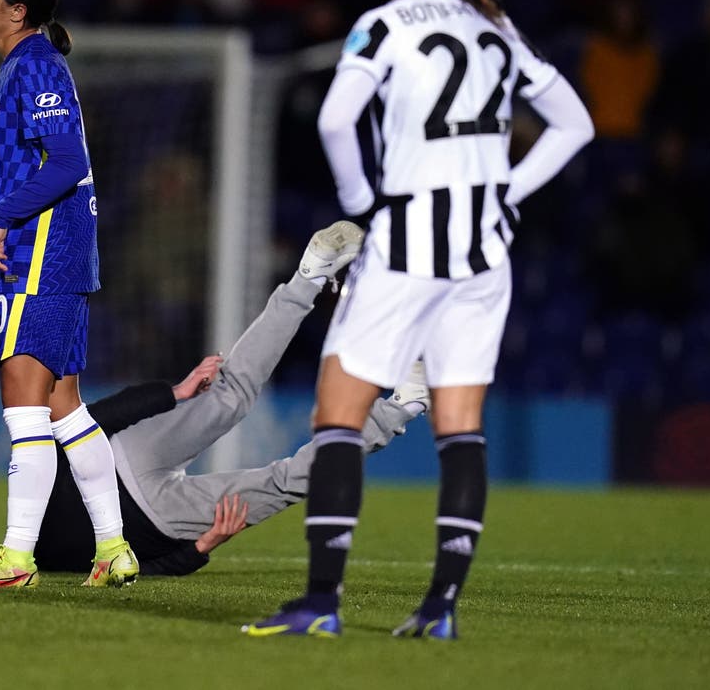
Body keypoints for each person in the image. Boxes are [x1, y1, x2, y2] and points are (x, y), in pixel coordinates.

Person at [244, 0, 594, 639]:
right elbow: (577, 124)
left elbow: (337, 120)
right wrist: (510, 190)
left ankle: (320, 602)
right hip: (484, 250)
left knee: (338, 414)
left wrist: (363, 202)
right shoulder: (494, 25)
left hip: (408, 241)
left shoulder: (382, 24)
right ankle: (439, 608)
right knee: (460, 427)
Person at [33, 222, 428, 576]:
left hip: (157, 521)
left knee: (282, 483)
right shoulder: (40, 486)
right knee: (230, 392)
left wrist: (198, 549)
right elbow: (90, 423)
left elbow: (128, 570)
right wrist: (171, 393)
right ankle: (310, 274)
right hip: (124, 459)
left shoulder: (50, 558)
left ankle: (403, 405)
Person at [0, 0, 138, 590]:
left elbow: (64, 162)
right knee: (66, 410)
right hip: (40, 256)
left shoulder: (35, 67)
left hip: (42, 255)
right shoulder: (26, 66)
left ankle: (16, 557)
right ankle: (113, 547)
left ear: (18, 7)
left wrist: (1, 220)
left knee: (24, 409)